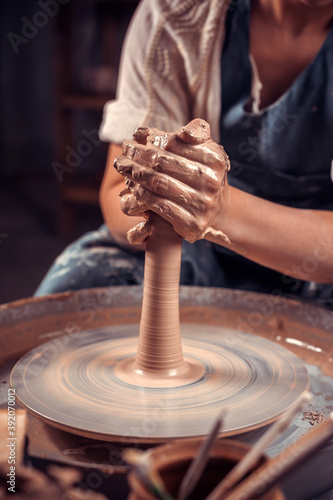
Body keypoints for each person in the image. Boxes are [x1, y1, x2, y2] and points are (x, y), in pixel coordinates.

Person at [36, 0, 333, 308]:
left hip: (314, 257)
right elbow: (117, 193)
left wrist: (222, 210)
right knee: (79, 288)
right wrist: (164, 202)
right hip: (195, 247)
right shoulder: (176, 12)